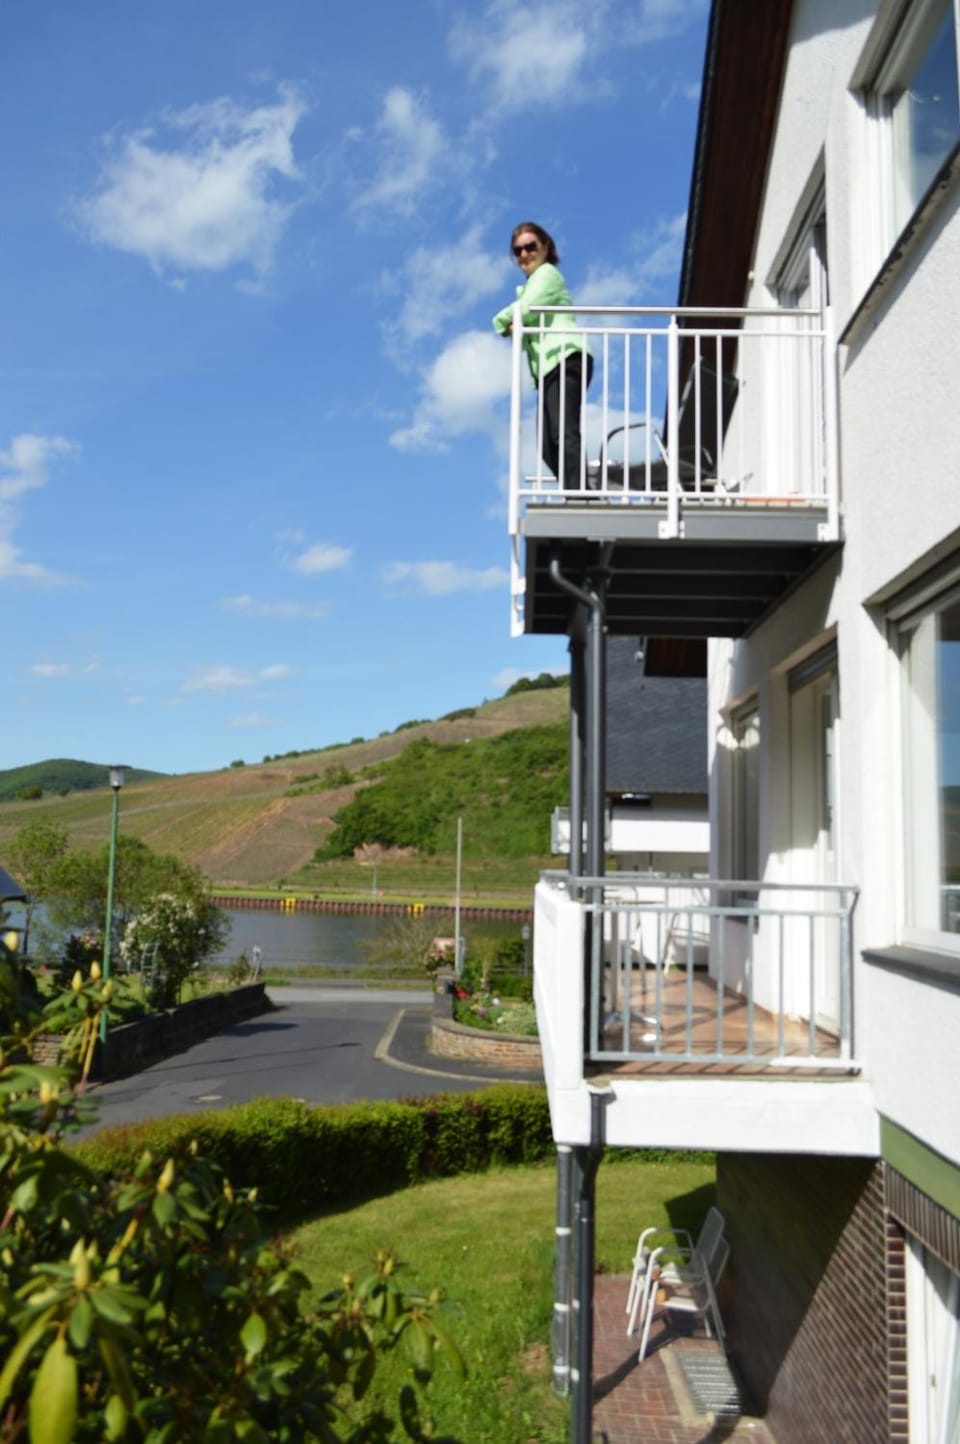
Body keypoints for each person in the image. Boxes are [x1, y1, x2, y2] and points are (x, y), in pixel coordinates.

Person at [493, 222, 593, 490]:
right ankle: (581, 491)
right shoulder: (531, 283)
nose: (524, 254)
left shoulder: (547, 275)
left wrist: (502, 322)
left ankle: (581, 497)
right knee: (548, 446)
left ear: (545, 248)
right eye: (518, 250)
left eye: (530, 247)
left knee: (563, 432)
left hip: (564, 357)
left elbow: (527, 307)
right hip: (549, 366)